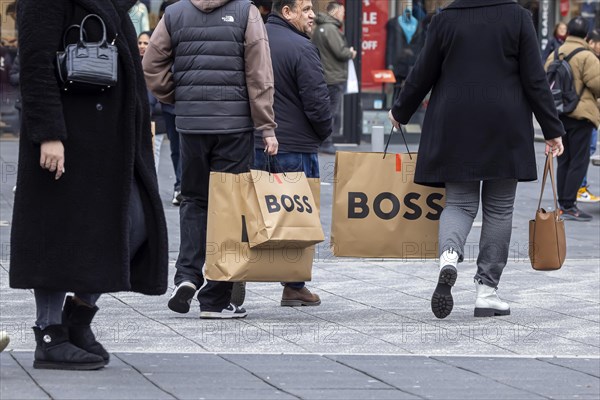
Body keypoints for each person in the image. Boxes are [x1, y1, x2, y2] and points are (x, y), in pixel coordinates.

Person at [10, 0, 168, 370]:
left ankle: (78, 319)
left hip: (109, 141)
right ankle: (49, 335)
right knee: (56, 236)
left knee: (136, 223)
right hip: (68, 138)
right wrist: (49, 134)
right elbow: (34, 64)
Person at [389, 0, 565, 319]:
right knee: (498, 209)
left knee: (458, 203)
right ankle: (486, 291)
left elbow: (422, 72)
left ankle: (449, 258)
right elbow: (535, 79)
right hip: (504, 123)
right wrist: (552, 129)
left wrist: (400, 110)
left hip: (455, 122)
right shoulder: (517, 18)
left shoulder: (444, 19)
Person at [143, 0, 278, 319]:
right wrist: (267, 126)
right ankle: (215, 299)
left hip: (190, 125)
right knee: (229, 209)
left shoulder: (175, 13)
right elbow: (259, 73)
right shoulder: (248, 12)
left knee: (192, 199)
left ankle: (187, 276)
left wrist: (178, 96)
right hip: (234, 127)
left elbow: (152, 64)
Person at [243, 0, 331, 307]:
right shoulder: (302, 47)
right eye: (305, 9)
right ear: (287, 12)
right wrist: (323, 134)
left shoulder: (251, 40)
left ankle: (236, 276)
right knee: (297, 218)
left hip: (254, 142)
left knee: (254, 212)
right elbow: (317, 102)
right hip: (295, 146)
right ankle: (293, 285)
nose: (312, 16)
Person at [545, 17, 600, 221]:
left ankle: (563, 204)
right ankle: (569, 205)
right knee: (579, 160)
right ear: (586, 35)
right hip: (580, 115)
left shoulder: (554, 53)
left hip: (558, 115)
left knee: (564, 160)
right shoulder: (587, 56)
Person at [311, 1, 355, 154]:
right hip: (333, 77)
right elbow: (340, 52)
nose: (343, 16)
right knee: (331, 112)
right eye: (342, 13)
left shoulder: (320, 28)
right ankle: (326, 142)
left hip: (326, 75)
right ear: (335, 12)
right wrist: (351, 52)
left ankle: (322, 141)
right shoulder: (330, 29)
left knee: (326, 111)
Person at [577, 28, 600, 204]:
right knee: (585, 151)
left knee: (571, 156)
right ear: (590, 42)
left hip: (567, 110)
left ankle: (572, 192)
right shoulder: (588, 57)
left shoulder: (561, 52)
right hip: (585, 112)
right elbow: (596, 84)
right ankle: (580, 188)